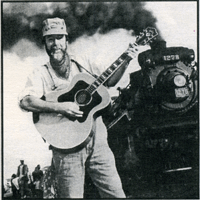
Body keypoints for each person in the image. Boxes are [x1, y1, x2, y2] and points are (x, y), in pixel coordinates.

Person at [18, 17, 139, 198]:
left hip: (98, 142)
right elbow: (26, 101)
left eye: (59, 38)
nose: (55, 44)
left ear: (67, 40)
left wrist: (127, 59)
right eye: (50, 39)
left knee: (116, 195)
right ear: (45, 43)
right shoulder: (40, 73)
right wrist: (60, 107)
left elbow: (110, 81)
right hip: (67, 150)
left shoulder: (83, 63)